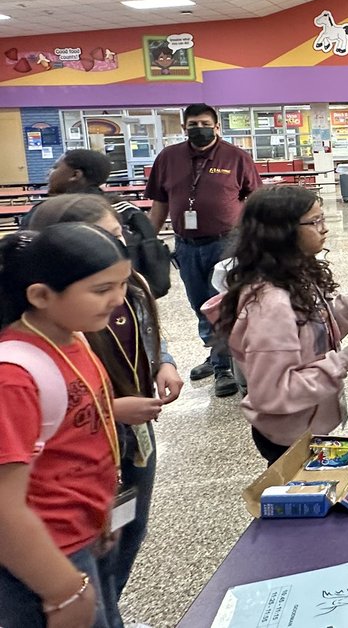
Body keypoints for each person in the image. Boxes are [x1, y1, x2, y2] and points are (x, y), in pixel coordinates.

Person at [27, 195, 182, 628]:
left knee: (126, 530)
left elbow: (148, 329)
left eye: (119, 236)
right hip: (88, 455)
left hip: (130, 440)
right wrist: (113, 409)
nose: (119, 249)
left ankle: (111, 610)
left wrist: (163, 360)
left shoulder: (125, 289)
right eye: (105, 238)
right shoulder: (46, 335)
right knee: (92, 562)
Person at [0, 223, 132, 628]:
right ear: (40, 295)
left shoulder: (73, 337)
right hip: (44, 558)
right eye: (100, 289)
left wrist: (100, 514)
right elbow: (4, 507)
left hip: (85, 533)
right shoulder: (14, 376)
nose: (117, 300)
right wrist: (61, 590)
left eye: (122, 284)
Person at [206, 186, 348, 463]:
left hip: (310, 422)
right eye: (315, 222)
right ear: (282, 231)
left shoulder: (295, 276)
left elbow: (314, 334)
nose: (324, 229)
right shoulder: (271, 303)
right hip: (288, 435)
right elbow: (273, 393)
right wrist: (346, 360)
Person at [145, 103, 261, 398]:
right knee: (200, 305)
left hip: (227, 244)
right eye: (193, 124)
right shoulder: (168, 158)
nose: (199, 128)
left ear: (217, 126)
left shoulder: (236, 157)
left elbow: (255, 199)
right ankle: (216, 355)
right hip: (186, 247)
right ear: (184, 128)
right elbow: (159, 204)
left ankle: (224, 368)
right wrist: (145, 243)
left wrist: (252, 237)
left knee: (222, 306)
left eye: (205, 123)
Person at [24, 149, 171, 298]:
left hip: (68, 301)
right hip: (130, 298)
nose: (49, 173)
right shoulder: (128, 210)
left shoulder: (48, 213)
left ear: (75, 175)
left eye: (55, 167)